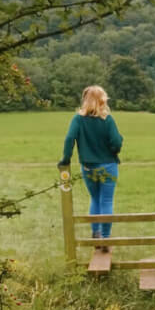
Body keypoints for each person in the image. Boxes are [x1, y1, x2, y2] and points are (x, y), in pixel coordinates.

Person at [57, 85, 123, 252]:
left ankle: (96, 234)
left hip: (88, 167)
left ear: (85, 100)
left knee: (95, 199)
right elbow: (116, 142)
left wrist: (65, 159)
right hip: (108, 166)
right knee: (106, 201)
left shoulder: (78, 119)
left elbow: (69, 139)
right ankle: (106, 239)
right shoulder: (107, 119)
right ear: (102, 100)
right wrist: (115, 149)